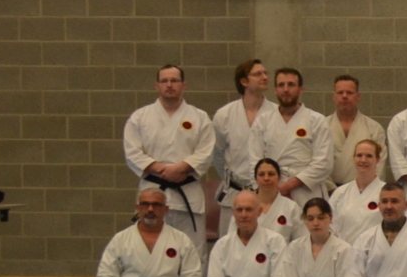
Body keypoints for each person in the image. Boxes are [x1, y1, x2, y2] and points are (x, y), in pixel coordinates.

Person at [126, 65, 217, 240]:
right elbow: (132, 153)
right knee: (152, 246)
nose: (169, 85)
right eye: (164, 81)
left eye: (174, 80)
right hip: (152, 194)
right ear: (157, 85)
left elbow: (205, 152)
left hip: (188, 194)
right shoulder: (140, 117)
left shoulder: (199, 117)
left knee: (192, 250)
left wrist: (180, 168)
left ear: (184, 85)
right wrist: (162, 169)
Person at [210, 59, 287, 218]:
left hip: (268, 193)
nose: (265, 77)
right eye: (258, 74)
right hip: (234, 192)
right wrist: (231, 178)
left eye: (265, 73)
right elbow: (217, 154)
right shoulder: (224, 115)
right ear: (244, 81)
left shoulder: (277, 114)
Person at [265, 68, 330, 203]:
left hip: (307, 190)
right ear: (275, 90)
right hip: (272, 188)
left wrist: (289, 185)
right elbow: (254, 161)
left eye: (291, 84)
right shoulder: (263, 121)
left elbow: (323, 163)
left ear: (301, 90)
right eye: (281, 85)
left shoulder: (316, 120)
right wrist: (274, 185)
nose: (286, 89)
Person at [324, 74, 387, 191]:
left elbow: (380, 164)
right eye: (340, 93)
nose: (344, 96)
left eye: (349, 93)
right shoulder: (322, 126)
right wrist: (332, 190)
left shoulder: (374, 128)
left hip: (364, 189)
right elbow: (317, 161)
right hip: (328, 191)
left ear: (358, 96)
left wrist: (369, 190)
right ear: (334, 97)